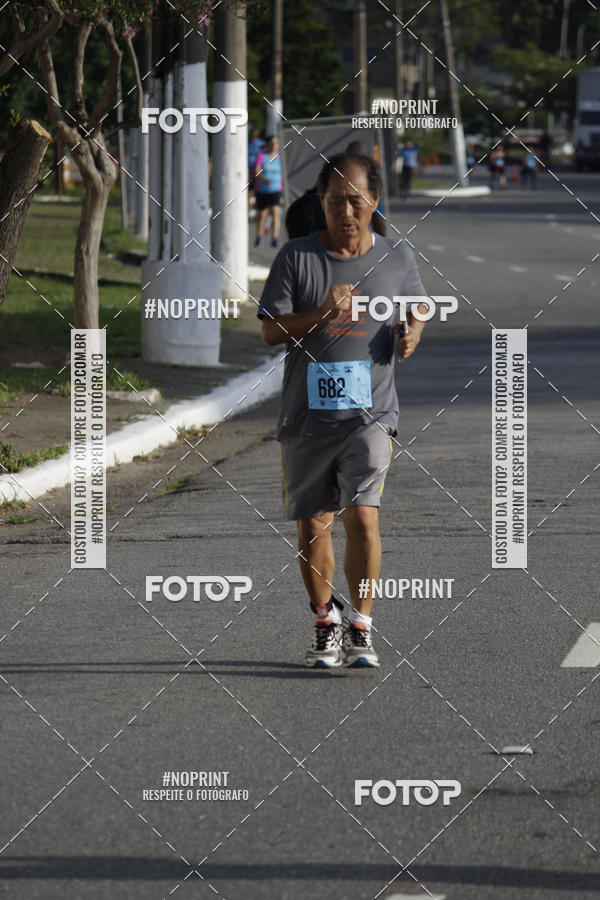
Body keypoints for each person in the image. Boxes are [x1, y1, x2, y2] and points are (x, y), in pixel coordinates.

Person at [258, 152, 429, 669]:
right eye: (336, 202)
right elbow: (269, 330)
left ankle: (361, 624)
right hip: (306, 418)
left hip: (371, 415)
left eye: (356, 202)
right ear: (321, 203)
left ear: (373, 202)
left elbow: (418, 305)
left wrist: (413, 328)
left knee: (363, 516)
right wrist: (320, 313)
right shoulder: (296, 257)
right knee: (313, 527)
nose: (346, 212)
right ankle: (325, 621)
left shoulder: (396, 259)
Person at [284, 141, 386, 240]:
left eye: (355, 201)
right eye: (337, 199)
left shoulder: (331, 176)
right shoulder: (366, 186)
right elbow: (380, 224)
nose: (347, 211)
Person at [254, 135, 282, 248]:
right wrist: (264, 179)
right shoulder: (262, 156)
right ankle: (259, 236)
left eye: (276, 142)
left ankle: (275, 237)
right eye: (272, 142)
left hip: (276, 189)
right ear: (268, 144)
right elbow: (257, 170)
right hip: (262, 189)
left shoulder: (280, 157)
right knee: (262, 215)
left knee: (275, 212)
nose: (274, 145)